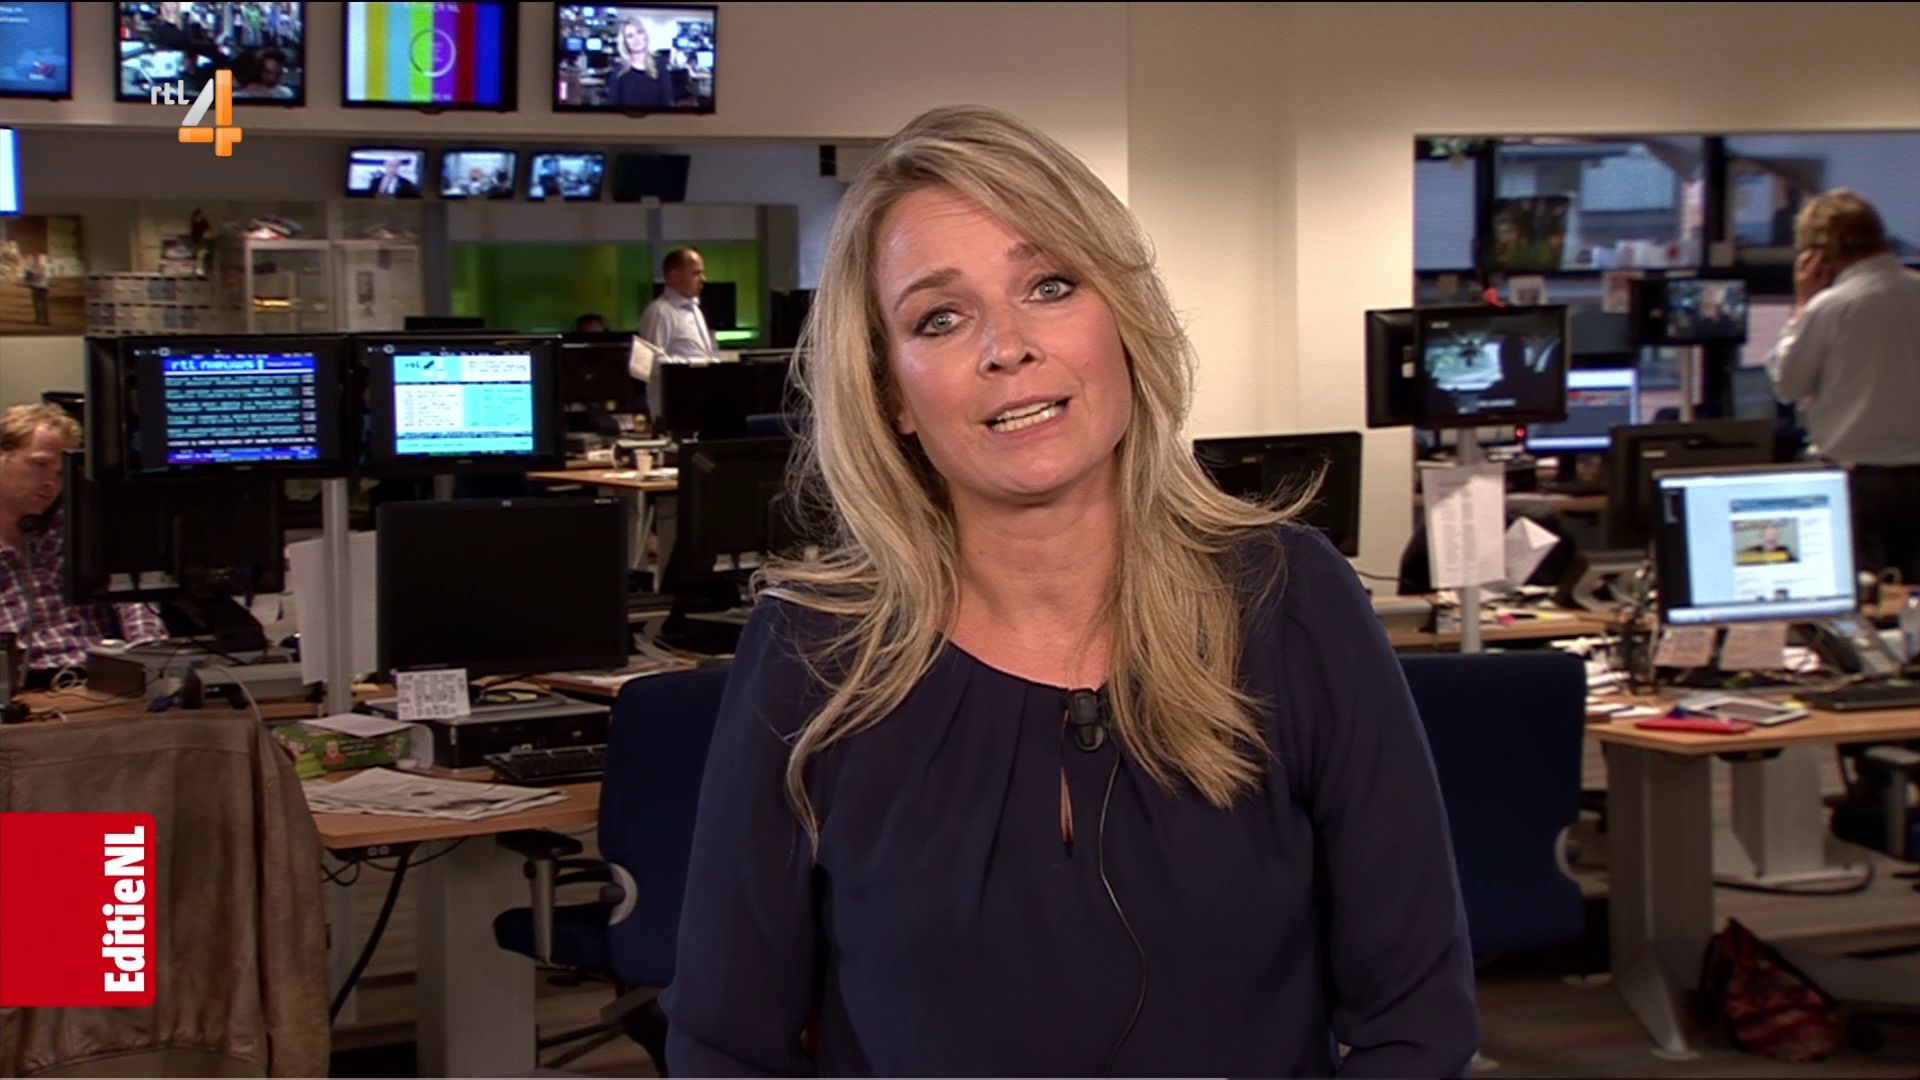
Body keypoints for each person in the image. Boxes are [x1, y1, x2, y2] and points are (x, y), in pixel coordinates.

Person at [661, 105, 1477, 1076]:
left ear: (1122, 320)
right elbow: (725, 1044)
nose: (1007, 346)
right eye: (940, 318)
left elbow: (1416, 1026)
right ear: (891, 397)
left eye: (1049, 285)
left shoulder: (1293, 602)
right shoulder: (811, 651)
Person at [1768, 189, 1920, 582]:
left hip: (1856, 482)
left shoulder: (1830, 307)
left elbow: (1788, 385)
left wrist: (1801, 306)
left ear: (1819, 255)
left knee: (1858, 597)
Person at [0, 405, 165, 681]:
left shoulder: (76, 528)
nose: (50, 483)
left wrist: (151, 656)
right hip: (18, 685)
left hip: (93, 677)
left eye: (60, 474)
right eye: (40, 465)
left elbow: (132, 595)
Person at [637, 248, 716, 362]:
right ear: (675, 277)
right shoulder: (659, 312)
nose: (703, 279)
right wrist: (695, 364)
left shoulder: (694, 309)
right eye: (696, 273)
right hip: (677, 375)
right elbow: (650, 362)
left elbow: (703, 356)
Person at [605, 16, 672, 109]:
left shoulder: (660, 65)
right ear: (625, 42)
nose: (636, 39)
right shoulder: (618, 70)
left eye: (639, 32)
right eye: (630, 36)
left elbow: (667, 101)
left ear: (645, 36)